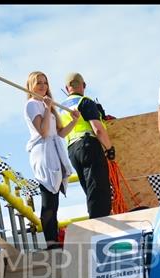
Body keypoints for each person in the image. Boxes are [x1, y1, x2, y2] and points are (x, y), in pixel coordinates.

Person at [24, 72, 80, 249]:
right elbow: (43, 131)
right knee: (48, 198)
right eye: (38, 83)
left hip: (54, 151)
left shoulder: (45, 103)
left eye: (45, 83)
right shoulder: (32, 105)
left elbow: (60, 133)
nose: (42, 86)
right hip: (43, 153)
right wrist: (47, 109)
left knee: (54, 199)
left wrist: (73, 121)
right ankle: (50, 241)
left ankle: (54, 238)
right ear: (31, 86)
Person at [59, 72, 115, 219]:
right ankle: (100, 227)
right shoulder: (85, 101)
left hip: (72, 150)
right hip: (89, 146)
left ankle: (97, 223)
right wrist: (109, 148)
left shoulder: (60, 108)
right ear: (84, 85)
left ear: (66, 88)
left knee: (90, 191)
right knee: (99, 192)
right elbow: (98, 129)